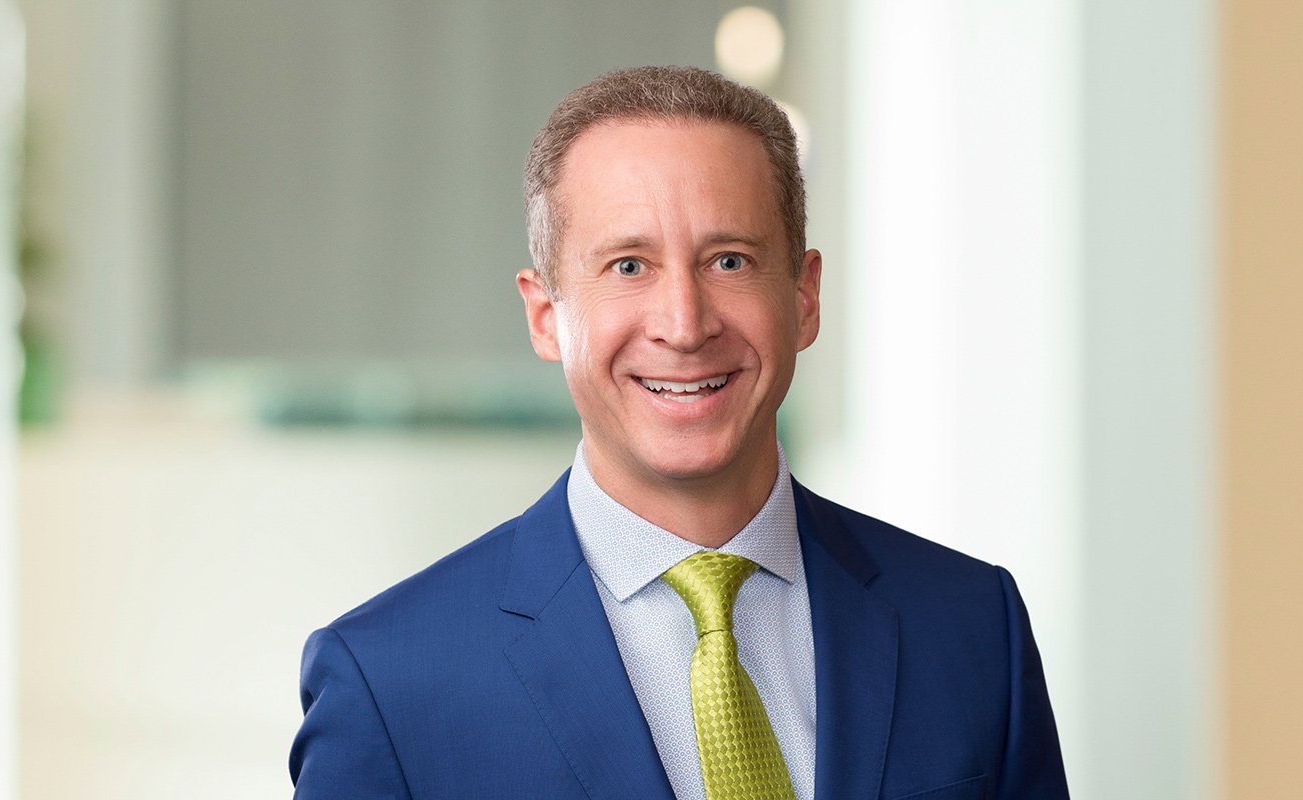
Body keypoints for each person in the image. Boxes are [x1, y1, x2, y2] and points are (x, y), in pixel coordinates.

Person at [290, 65, 1068, 800]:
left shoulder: (972, 624)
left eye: (729, 260)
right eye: (629, 266)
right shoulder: (388, 683)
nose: (685, 325)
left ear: (803, 298)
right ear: (545, 315)